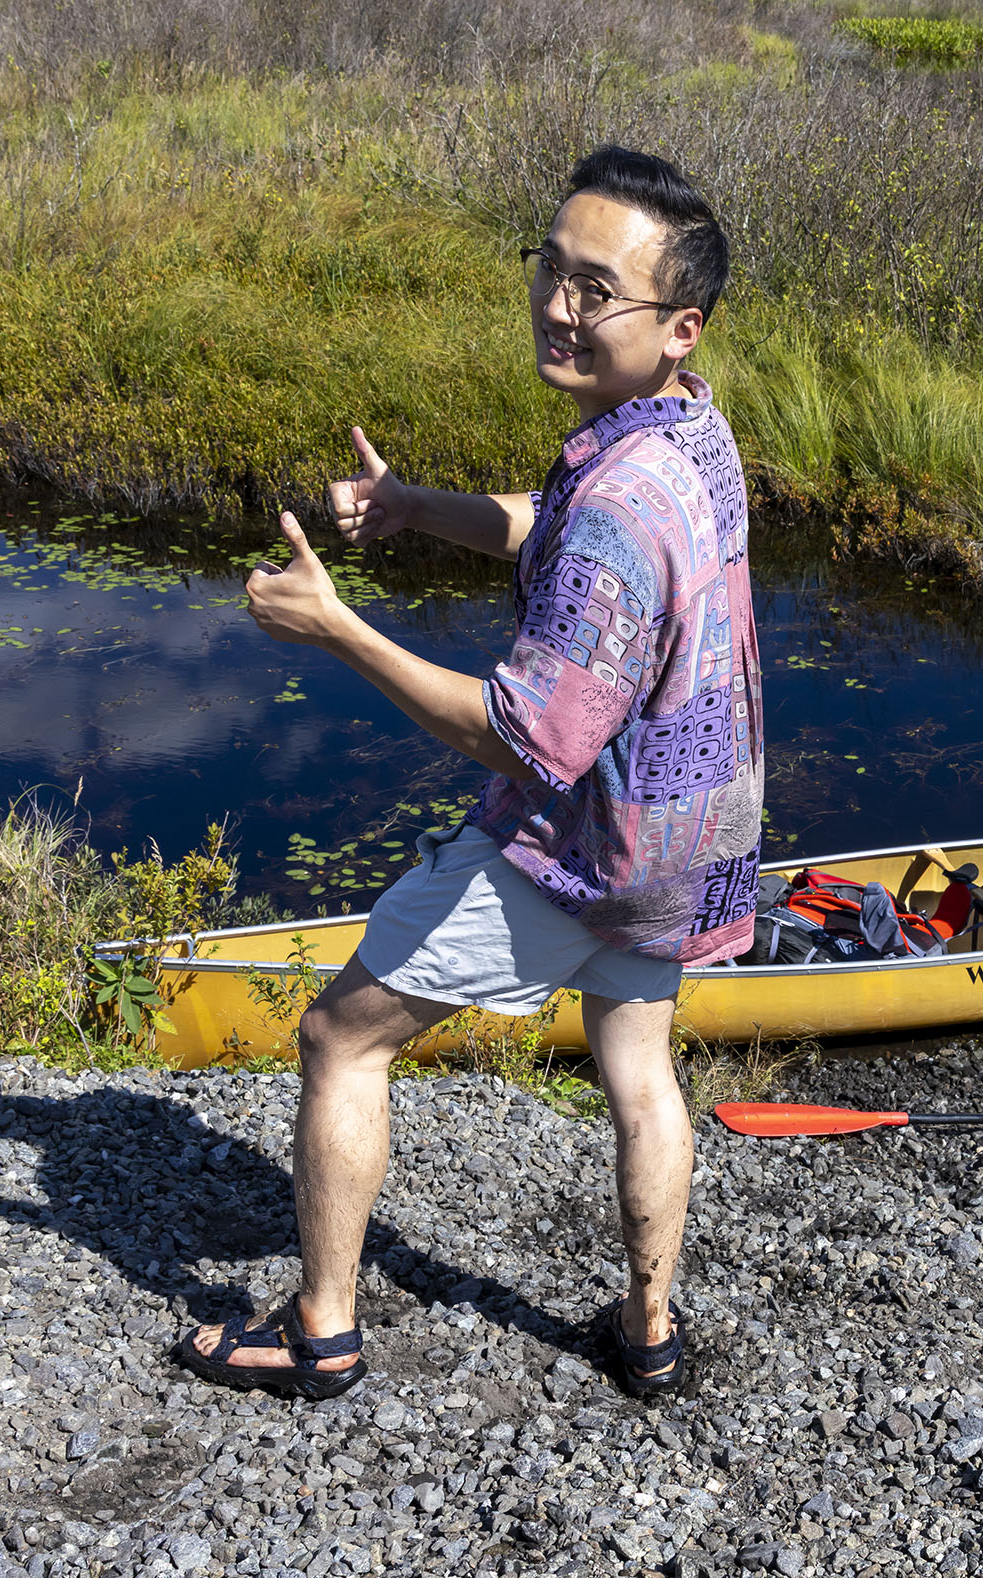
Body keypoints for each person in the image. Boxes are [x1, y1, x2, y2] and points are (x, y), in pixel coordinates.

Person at [172, 146, 761, 1402]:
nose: (558, 304)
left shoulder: (621, 502)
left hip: (582, 850)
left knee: (340, 1036)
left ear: (679, 325)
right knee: (638, 1066)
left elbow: (522, 735)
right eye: (551, 268)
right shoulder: (691, 434)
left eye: (596, 289)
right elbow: (563, 525)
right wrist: (413, 507)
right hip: (688, 835)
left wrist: (336, 626)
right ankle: (649, 1327)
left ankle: (321, 1328)